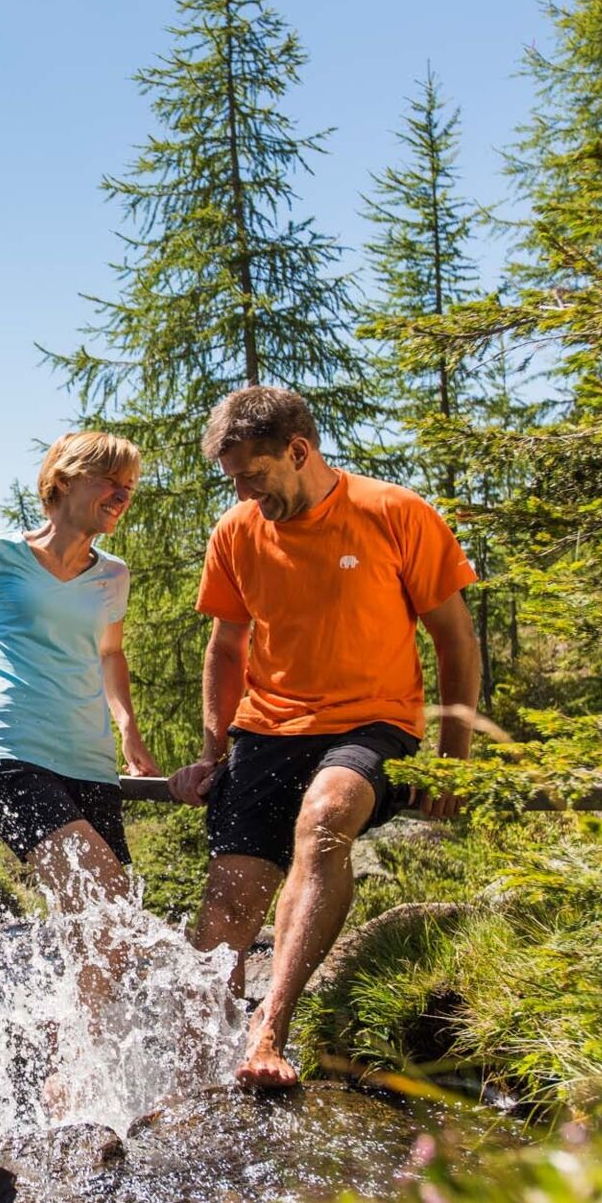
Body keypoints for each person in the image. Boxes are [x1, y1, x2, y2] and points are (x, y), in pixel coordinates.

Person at [165, 386, 481, 1089]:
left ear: (300, 451)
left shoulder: (396, 514)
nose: (244, 491)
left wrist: (455, 763)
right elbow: (226, 647)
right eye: (234, 480)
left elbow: (457, 642)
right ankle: (187, 1073)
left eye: (254, 474)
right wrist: (213, 752)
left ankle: (269, 1027)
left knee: (326, 815)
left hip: (373, 725)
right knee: (227, 903)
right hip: (266, 731)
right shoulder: (237, 531)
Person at [0, 431, 158, 914]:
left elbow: (110, 655)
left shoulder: (114, 574)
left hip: (91, 762)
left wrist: (129, 732)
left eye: (130, 487)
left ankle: (76, 996)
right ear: (64, 481)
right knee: (107, 898)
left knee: (101, 922)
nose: (122, 496)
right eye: (110, 481)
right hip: (11, 754)